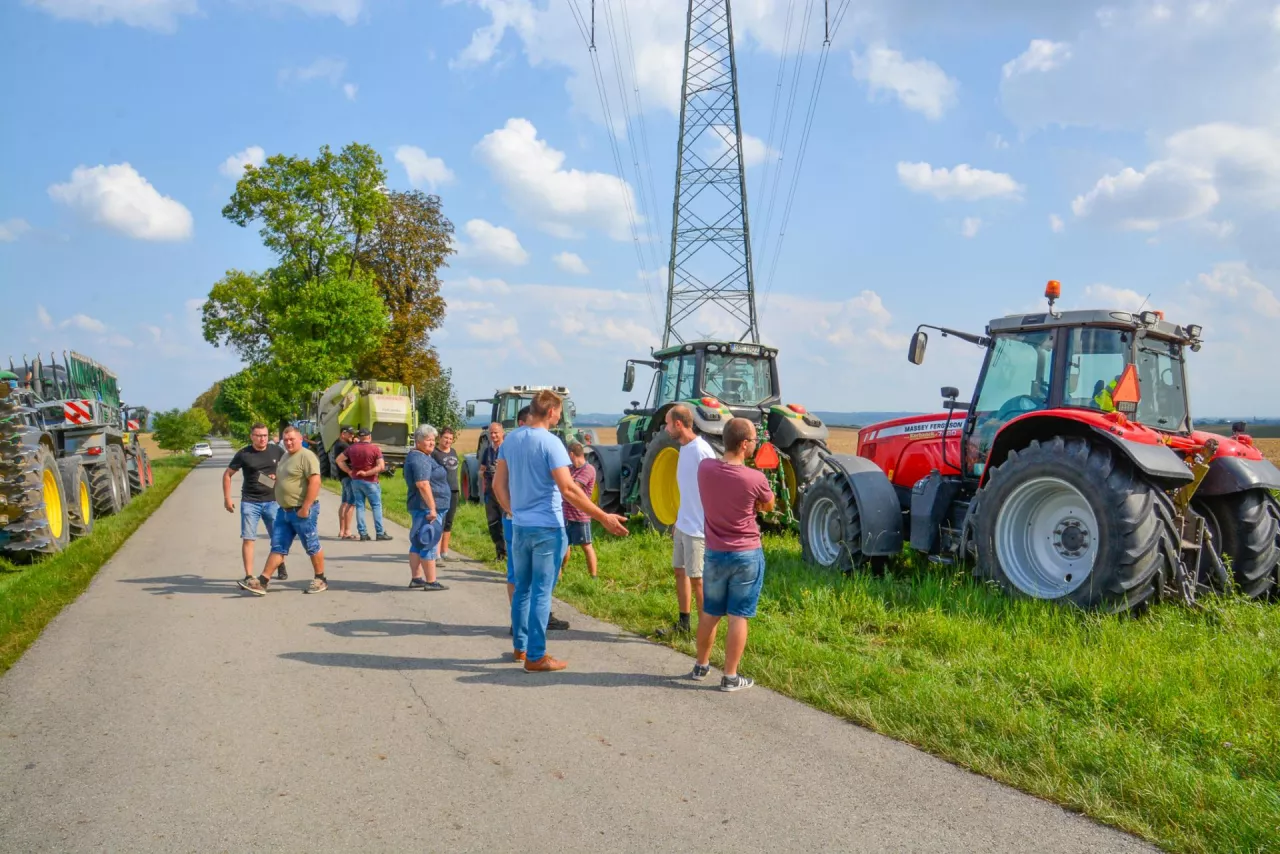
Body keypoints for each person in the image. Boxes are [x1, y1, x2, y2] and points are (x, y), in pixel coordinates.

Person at [493, 390, 629, 672]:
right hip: (547, 527)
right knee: (542, 592)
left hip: (519, 527)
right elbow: (568, 489)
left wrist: (511, 511)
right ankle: (536, 655)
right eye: (560, 410)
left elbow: (497, 485)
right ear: (553, 411)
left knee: (522, 589)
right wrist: (603, 516)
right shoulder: (552, 443)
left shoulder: (511, 440)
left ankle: (520, 647)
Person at [689, 417, 774, 692]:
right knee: (739, 615)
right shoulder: (755, 478)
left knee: (710, 612)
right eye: (753, 440)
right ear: (744, 444)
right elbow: (769, 505)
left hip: (714, 553)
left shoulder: (705, 468)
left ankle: (701, 666)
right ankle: (730, 677)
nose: (756, 443)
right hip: (746, 554)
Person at [238, 426, 328, 595]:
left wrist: (306, 507)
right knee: (278, 546)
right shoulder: (285, 456)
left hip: (302, 510)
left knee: (311, 544)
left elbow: (315, 482)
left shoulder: (307, 456)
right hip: (284, 510)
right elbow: (287, 478)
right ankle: (263, 582)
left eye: (292, 439)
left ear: (300, 439)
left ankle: (320, 578)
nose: (288, 442)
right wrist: (275, 479)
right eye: (285, 440)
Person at [658, 405, 716, 637]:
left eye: (668, 423)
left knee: (698, 580)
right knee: (679, 572)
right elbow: (688, 490)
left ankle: (704, 631)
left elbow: (713, 490)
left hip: (698, 530)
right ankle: (684, 624)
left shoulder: (702, 450)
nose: (666, 428)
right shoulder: (684, 448)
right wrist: (678, 520)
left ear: (679, 424)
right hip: (683, 524)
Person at [222, 422, 288, 583]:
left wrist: (278, 477)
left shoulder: (277, 451)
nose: (262, 439)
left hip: (273, 501)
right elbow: (227, 475)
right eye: (258, 436)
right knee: (248, 538)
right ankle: (249, 575)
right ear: (252, 436)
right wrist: (227, 499)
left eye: (265, 435)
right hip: (250, 502)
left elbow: (288, 470)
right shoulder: (244, 453)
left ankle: (280, 565)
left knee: (277, 538)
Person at [404, 425, 449, 591]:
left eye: (433, 439)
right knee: (428, 542)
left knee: (418, 542)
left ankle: (416, 578)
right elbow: (422, 484)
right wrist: (432, 508)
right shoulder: (420, 458)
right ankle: (431, 581)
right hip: (425, 508)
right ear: (418, 441)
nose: (432, 442)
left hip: (422, 506)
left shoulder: (421, 456)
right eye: (428, 439)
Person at [338, 429, 393, 542]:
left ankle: (363, 533)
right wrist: (367, 473)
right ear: (369, 436)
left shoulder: (352, 448)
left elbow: (339, 460)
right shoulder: (374, 449)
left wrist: (349, 471)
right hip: (371, 481)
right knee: (376, 506)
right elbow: (381, 467)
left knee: (360, 506)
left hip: (356, 481)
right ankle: (380, 532)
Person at [561, 441, 598, 579]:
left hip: (580, 515)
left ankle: (593, 577)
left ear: (571, 454)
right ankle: (561, 573)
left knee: (587, 546)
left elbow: (573, 488)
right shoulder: (570, 468)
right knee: (564, 546)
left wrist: (565, 481)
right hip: (565, 514)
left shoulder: (588, 470)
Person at [433, 426, 461, 562]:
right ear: (440, 437)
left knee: (449, 522)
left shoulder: (454, 452)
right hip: (440, 492)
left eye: (450, 438)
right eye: (446, 438)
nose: (448, 441)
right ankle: (436, 554)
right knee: (440, 522)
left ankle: (445, 552)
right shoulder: (434, 453)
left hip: (454, 490)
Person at [479, 422, 506, 559]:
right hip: (490, 492)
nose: (494, 435)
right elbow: (482, 469)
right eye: (491, 433)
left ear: (502, 433)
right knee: (493, 524)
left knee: (506, 523)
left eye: (496, 432)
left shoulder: (507, 450)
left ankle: (510, 554)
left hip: (504, 493)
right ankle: (500, 553)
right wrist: (483, 472)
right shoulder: (487, 451)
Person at [331, 425, 358, 541]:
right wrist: (356, 444)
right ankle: (347, 531)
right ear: (343, 434)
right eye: (350, 434)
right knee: (351, 503)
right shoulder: (344, 445)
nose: (352, 436)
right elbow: (354, 454)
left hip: (343, 476)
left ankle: (342, 530)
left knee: (345, 502)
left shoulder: (338, 444)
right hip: (348, 476)